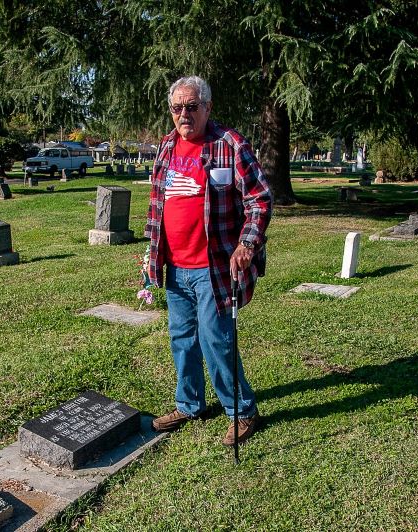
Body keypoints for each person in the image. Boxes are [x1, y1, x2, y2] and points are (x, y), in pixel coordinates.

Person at [145, 75, 272, 446]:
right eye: (177, 108)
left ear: (207, 107)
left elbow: (260, 199)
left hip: (214, 267)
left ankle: (242, 411)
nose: (183, 114)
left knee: (217, 340)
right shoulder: (167, 146)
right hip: (176, 267)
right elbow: (157, 206)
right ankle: (190, 404)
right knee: (182, 339)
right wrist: (151, 256)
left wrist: (247, 244)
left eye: (191, 107)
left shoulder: (229, 145)